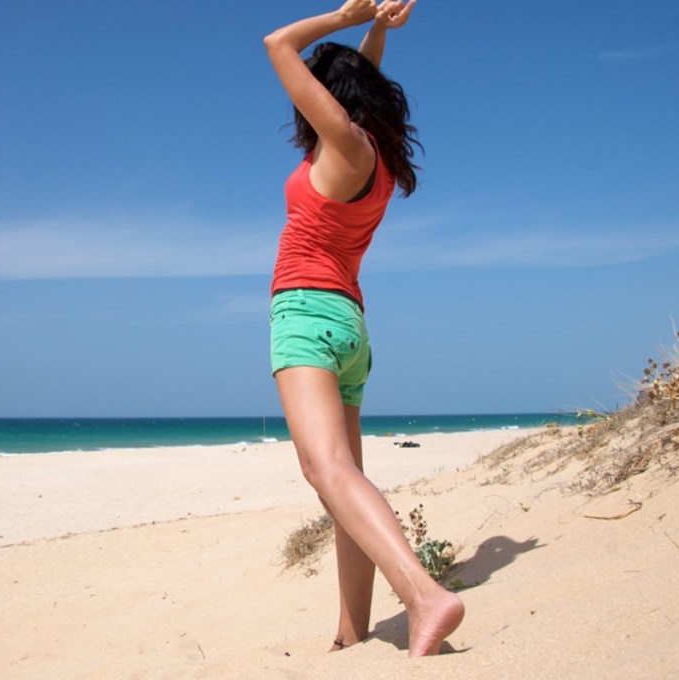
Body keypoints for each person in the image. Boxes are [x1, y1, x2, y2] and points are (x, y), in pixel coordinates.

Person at [264, 0, 464, 659]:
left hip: (308, 315)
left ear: (331, 100)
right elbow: (360, 80)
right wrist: (377, 30)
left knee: (327, 472)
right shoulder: (368, 153)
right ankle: (353, 633)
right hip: (350, 324)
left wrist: (342, 15)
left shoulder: (345, 145)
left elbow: (277, 44)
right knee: (346, 481)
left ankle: (425, 595)